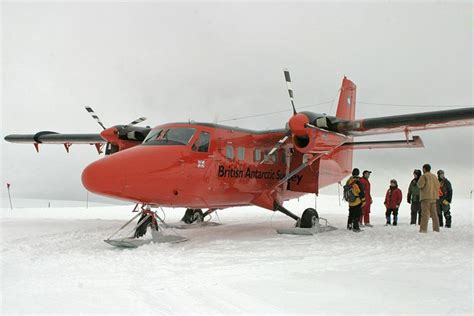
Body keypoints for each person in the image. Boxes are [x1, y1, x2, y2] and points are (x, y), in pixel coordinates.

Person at [417, 164, 440, 233]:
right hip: (434, 197)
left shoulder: (424, 176)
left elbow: (420, 185)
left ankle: (423, 229)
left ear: (424, 169)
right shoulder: (434, 176)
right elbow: (438, 185)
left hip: (425, 197)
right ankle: (436, 229)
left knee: (425, 214)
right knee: (434, 214)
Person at [345, 168, 366, 232]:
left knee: (351, 214)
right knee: (357, 215)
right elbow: (361, 192)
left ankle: (349, 225)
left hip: (350, 201)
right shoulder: (358, 181)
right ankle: (356, 228)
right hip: (357, 201)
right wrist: (363, 200)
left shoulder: (349, 181)